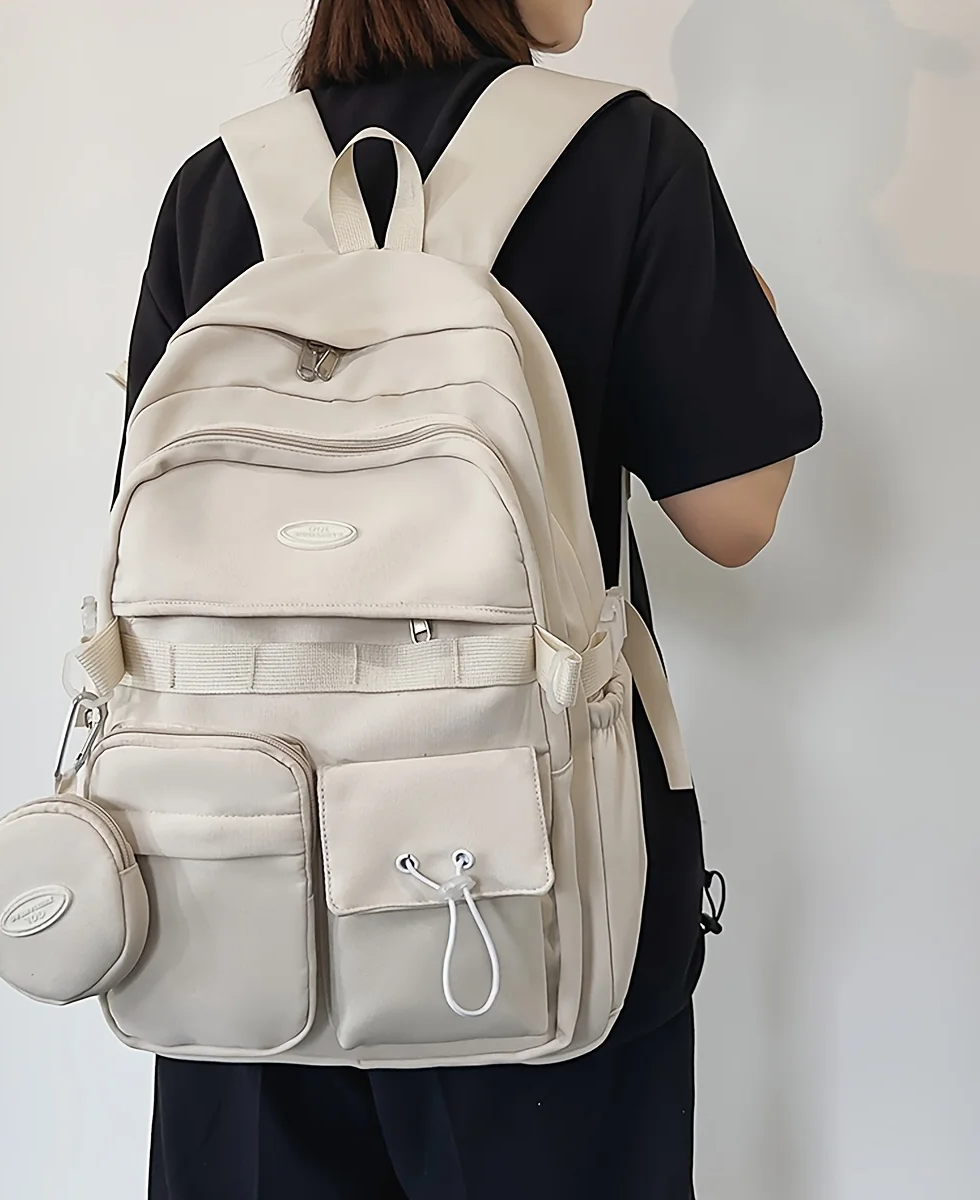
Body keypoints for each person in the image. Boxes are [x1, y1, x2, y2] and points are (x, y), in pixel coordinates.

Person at [122, 2, 823, 1196]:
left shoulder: (219, 185)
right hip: (524, 891)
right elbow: (737, 516)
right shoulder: (625, 156)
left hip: (235, 886)